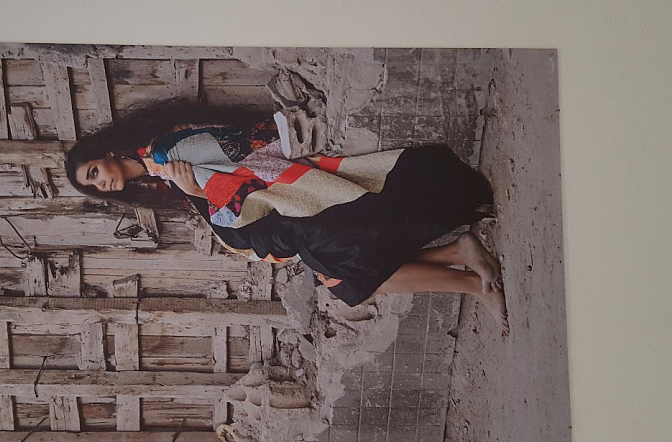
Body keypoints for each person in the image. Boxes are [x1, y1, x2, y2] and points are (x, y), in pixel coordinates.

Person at [65, 101, 508, 333]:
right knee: (342, 277)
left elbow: (240, 156)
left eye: (94, 173)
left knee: (342, 276)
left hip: (292, 189)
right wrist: (206, 198)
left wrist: (201, 194)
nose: (101, 184)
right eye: (93, 186)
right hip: (284, 208)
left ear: (107, 154)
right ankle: (463, 261)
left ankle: (469, 274)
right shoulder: (158, 172)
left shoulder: (165, 154)